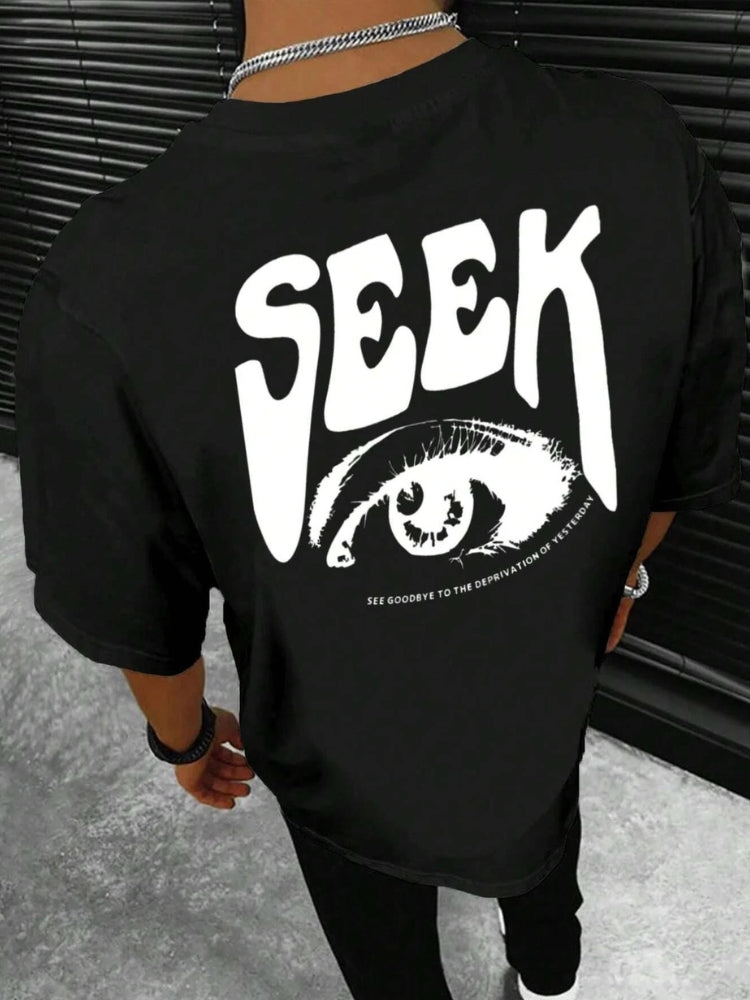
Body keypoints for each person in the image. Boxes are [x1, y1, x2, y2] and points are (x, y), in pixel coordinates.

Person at [13, 1, 746, 998]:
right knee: (542, 849)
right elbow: (672, 465)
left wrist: (182, 737)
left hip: (338, 775)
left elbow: (141, 621)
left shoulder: (110, 280)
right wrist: (618, 576)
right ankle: (549, 974)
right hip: (540, 716)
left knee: (387, 961)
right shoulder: (643, 151)